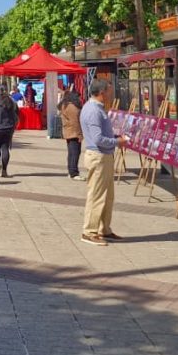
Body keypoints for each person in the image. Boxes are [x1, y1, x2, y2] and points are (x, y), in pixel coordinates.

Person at [80, 79, 129, 246]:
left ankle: (104, 229)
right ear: (101, 92)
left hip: (104, 156)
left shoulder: (98, 109)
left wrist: (115, 138)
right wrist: (117, 142)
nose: (111, 94)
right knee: (97, 195)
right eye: (109, 91)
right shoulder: (94, 111)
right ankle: (89, 231)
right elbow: (98, 139)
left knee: (108, 196)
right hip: (98, 156)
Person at [60, 89, 85, 180]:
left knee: (71, 153)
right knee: (75, 153)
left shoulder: (65, 105)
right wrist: (80, 134)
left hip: (69, 131)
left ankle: (71, 171)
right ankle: (74, 173)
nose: (79, 98)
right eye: (78, 96)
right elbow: (75, 122)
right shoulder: (72, 107)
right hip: (73, 132)